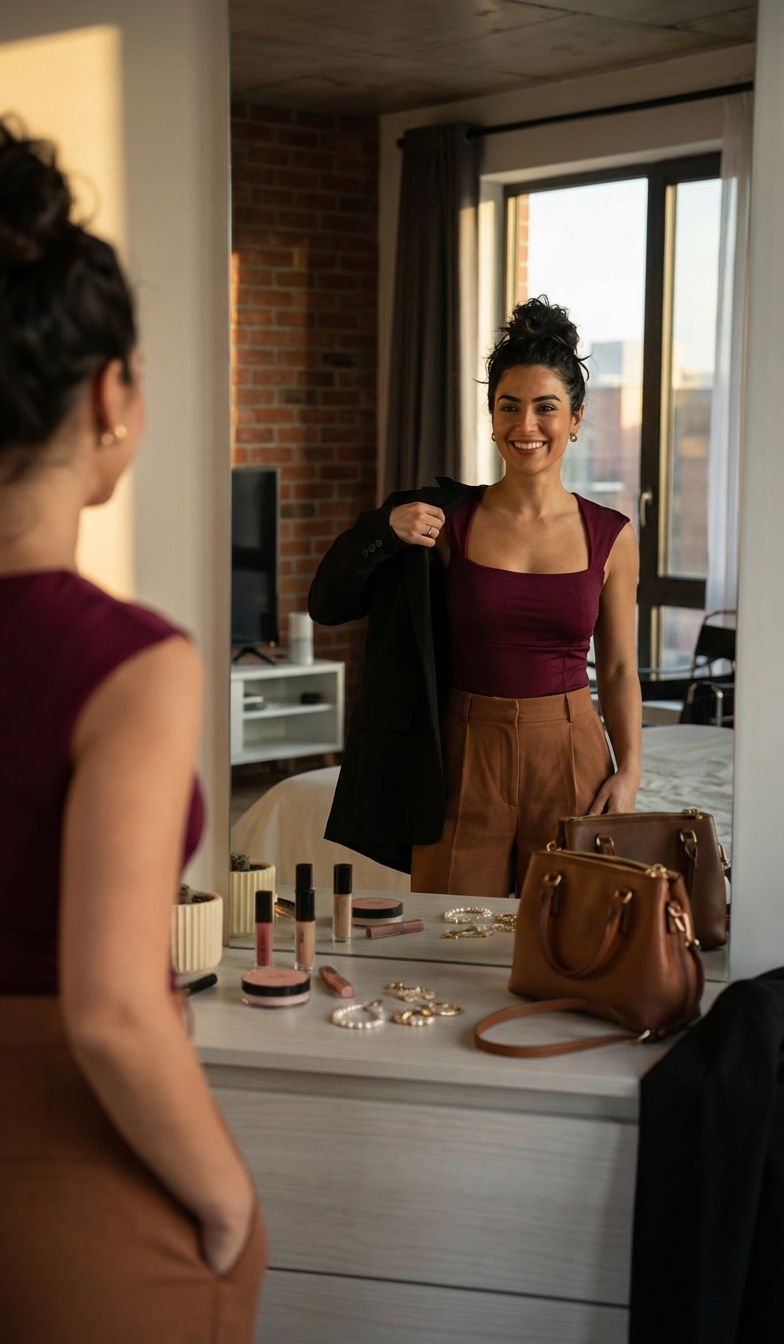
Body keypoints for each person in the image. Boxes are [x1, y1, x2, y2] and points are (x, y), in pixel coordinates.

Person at [0, 122, 265, 1341]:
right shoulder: (131, 666)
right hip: (70, 1190)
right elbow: (109, 1009)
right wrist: (225, 1204)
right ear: (111, 394)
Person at [309, 297, 641, 897]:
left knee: (571, 942)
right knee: (448, 946)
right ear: (491, 418)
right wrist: (384, 532)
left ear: (576, 419)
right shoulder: (444, 523)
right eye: (509, 407)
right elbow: (327, 602)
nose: (526, 426)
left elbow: (617, 669)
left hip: (571, 751)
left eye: (546, 409)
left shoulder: (611, 535)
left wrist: (631, 770)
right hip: (464, 754)